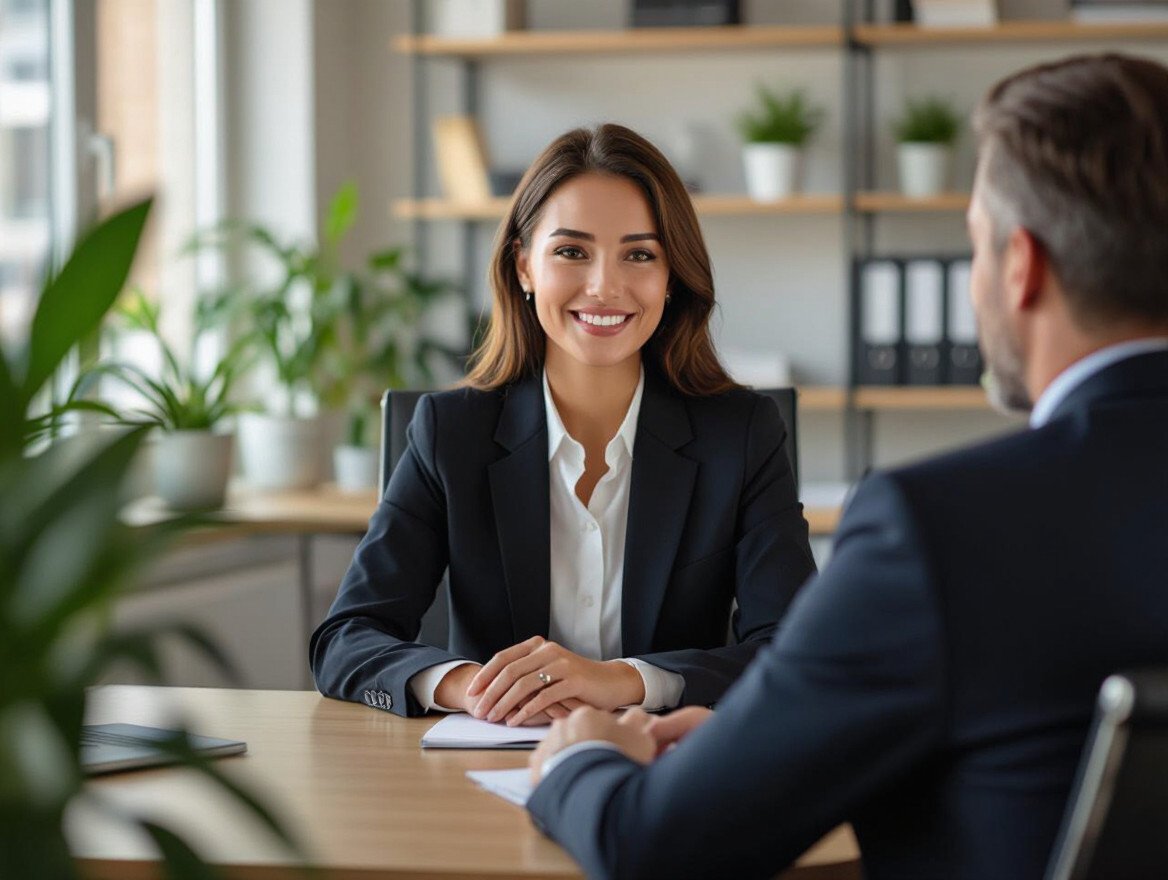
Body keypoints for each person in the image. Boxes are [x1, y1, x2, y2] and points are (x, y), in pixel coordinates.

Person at [525, 53, 1168, 879]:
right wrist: (774, 736)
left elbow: (655, 847)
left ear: (1021, 267)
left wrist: (579, 758)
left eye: (974, 245)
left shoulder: (939, 530)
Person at [310, 123, 815, 723]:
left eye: (639, 254)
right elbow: (346, 640)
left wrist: (626, 682)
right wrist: (479, 686)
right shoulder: (451, 432)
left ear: (672, 274)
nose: (604, 286)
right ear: (523, 266)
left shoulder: (743, 434)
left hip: (669, 766)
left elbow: (795, 649)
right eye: (571, 251)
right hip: (485, 773)